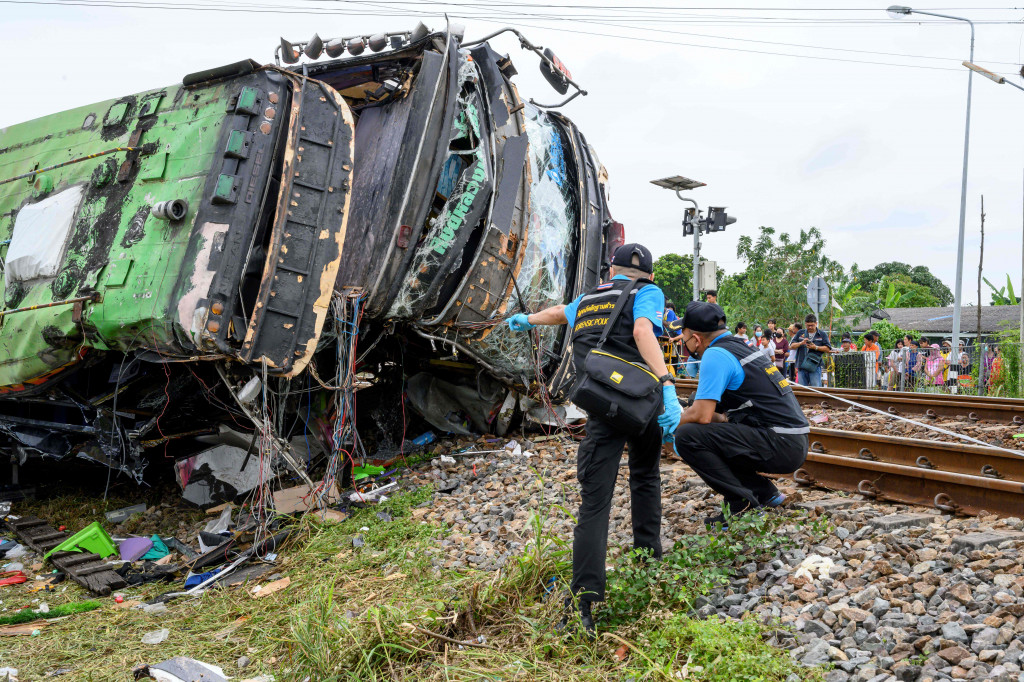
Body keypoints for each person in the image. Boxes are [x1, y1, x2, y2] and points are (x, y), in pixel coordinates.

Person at [506, 243, 677, 639]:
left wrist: (526, 319)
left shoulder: (589, 297)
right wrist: (667, 383)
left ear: (612, 271)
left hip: (602, 408)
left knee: (594, 504)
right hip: (643, 404)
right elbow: (641, 330)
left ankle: (584, 601)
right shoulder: (647, 293)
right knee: (645, 478)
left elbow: (556, 313)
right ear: (648, 275)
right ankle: (648, 562)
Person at [673, 301, 809, 526]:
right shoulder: (740, 346)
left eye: (684, 337)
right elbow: (720, 417)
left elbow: (702, 416)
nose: (683, 342)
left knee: (687, 436)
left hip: (780, 442)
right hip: (791, 440)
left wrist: (670, 421)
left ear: (696, 338)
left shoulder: (715, 355)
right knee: (701, 417)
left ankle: (741, 504)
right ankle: (765, 493)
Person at [789, 314, 831, 387]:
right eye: (808, 325)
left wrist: (815, 347)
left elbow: (828, 349)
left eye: (812, 325)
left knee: (816, 389)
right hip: (801, 366)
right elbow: (791, 346)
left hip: (815, 366)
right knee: (802, 390)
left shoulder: (822, 334)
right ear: (805, 324)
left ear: (816, 323)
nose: (810, 327)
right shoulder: (800, 333)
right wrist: (801, 343)